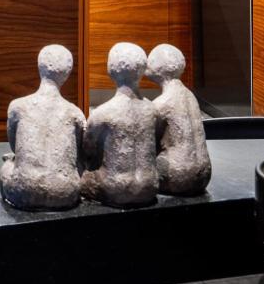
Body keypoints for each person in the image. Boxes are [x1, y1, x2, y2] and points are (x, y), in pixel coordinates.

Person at [0, 44, 84, 210]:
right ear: (67, 74)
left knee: (7, 165)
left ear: (40, 68)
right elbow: (79, 153)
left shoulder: (17, 107)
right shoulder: (75, 113)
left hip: (24, 191)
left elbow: (15, 147)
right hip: (67, 192)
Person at [81, 42, 159, 208]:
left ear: (110, 69)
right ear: (143, 70)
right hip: (150, 185)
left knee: (81, 174)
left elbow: (88, 151)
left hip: (115, 188)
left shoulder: (103, 113)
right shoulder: (152, 110)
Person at [148, 43, 211, 196]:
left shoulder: (161, 103)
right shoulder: (190, 96)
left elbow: (149, 141)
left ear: (157, 68)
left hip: (177, 176)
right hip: (204, 173)